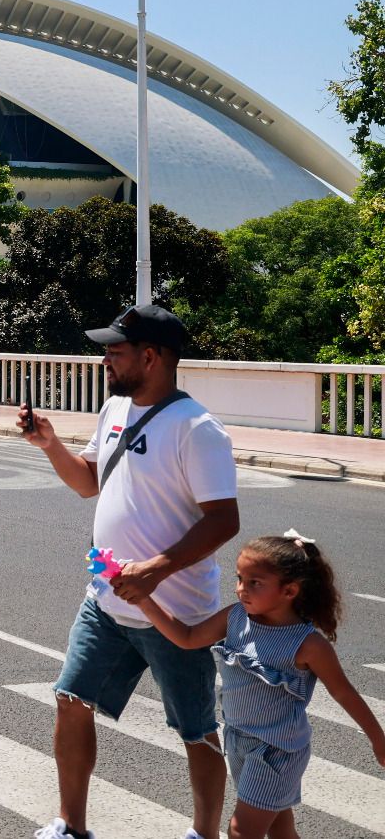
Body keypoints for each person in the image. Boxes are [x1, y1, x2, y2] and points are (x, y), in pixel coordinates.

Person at [19, 304, 240, 839]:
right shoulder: (113, 411)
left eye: (115, 353)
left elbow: (224, 519)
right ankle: (72, 825)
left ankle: (203, 834)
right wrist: (50, 444)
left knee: (198, 729)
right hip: (108, 599)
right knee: (71, 698)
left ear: (151, 356)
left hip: (176, 611)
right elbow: (89, 482)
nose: (105, 363)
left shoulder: (197, 429)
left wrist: (158, 571)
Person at [129, 532, 385, 839]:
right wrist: (144, 601)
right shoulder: (236, 617)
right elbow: (187, 637)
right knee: (280, 829)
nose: (241, 589)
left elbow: (343, 692)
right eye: (239, 578)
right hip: (238, 741)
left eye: (255, 583)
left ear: (289, 590)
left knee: (241, 831)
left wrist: (377, 739)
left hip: (277, 751)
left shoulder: (307, 645)